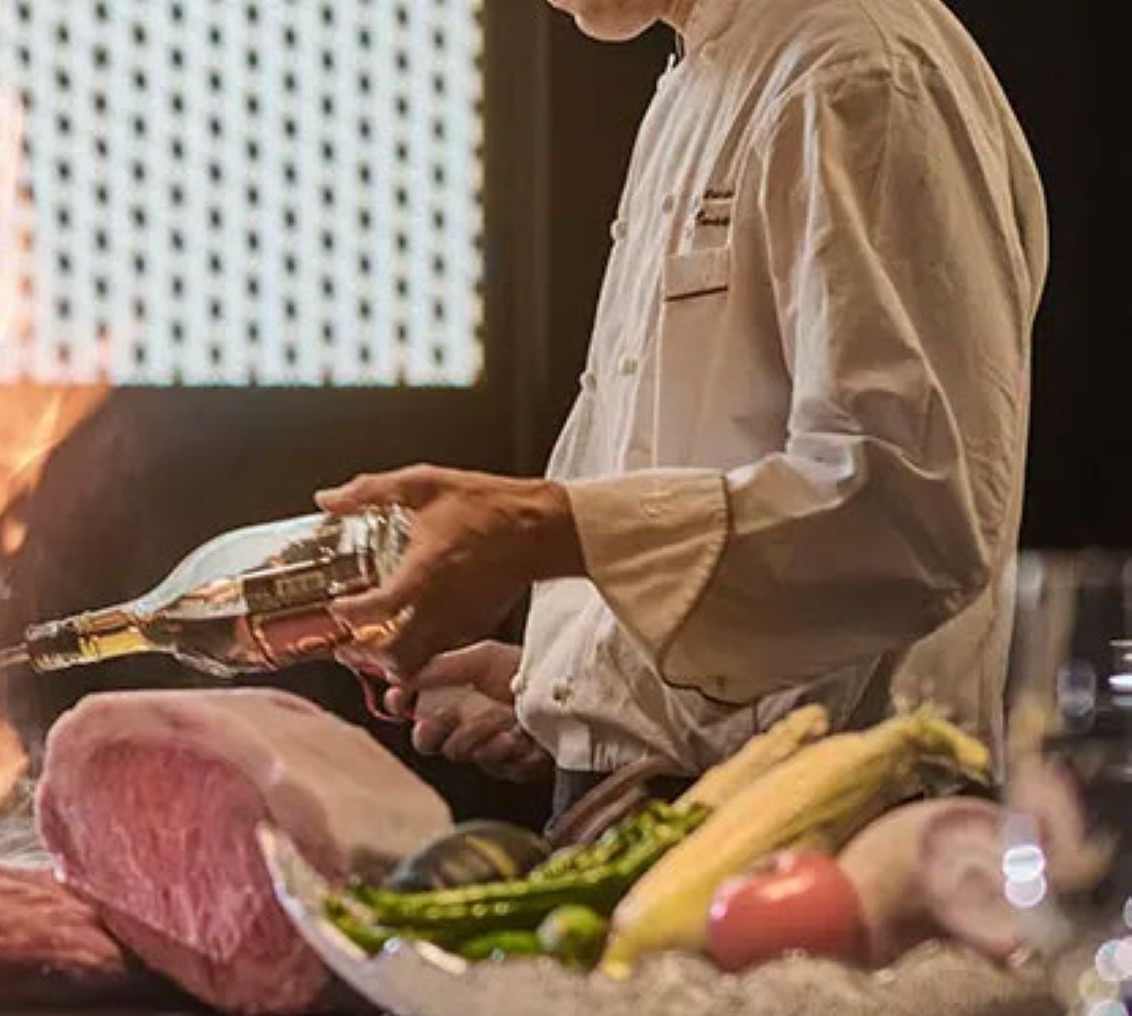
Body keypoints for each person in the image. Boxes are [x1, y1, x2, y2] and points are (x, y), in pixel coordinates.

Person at [320, 0, 1047, 818]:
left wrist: (534, 527)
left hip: (820, 824)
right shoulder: (704, 73)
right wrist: (564, 691)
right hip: (677, 807)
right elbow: (711, 502)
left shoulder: (857, 69)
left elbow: (910, 513)